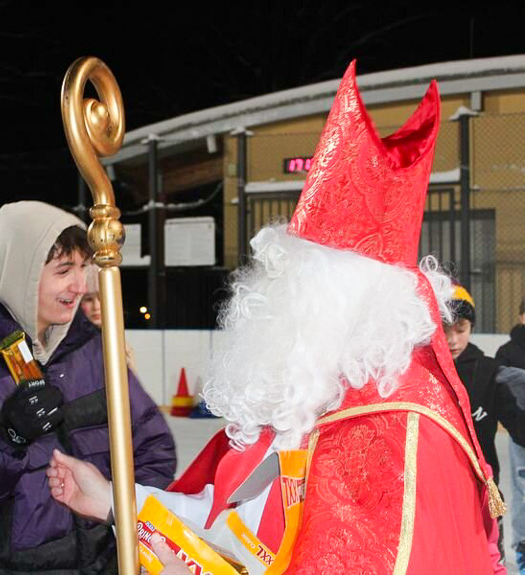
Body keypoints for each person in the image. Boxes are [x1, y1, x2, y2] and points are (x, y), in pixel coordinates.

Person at [48, 62, 502, 573]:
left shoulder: (394, 430)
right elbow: (237, 533)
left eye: (292, 287)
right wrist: (114, 501)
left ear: (335, 302)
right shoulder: (312, 402)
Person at [0, 200, 176, 574]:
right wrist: (4, 439)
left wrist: (117, 519)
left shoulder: (95, 352)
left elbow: (153, 450)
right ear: (23, 275)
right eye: (64, 270)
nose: (80, 286)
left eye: (83, 268)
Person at [445, 285, 525, 564]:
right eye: (445, 330)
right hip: (437, 492)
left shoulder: (488, 371)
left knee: (486, 562)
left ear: (471, 327)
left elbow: (518, 427)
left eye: (461, 328)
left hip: (482, 493)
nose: (453, 339)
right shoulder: (421, 374)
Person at [497, 297, 525, 573]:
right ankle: (523, 550)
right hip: (523, 440)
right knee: (523, 497)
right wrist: (518, 429)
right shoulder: (508, 352)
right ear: (522, 316)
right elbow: (502, 397)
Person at [80, 265, 136, 373]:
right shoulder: (66, 347)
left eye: (102, 298)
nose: (96, 306)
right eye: (88, 299)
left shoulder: (123, 347)